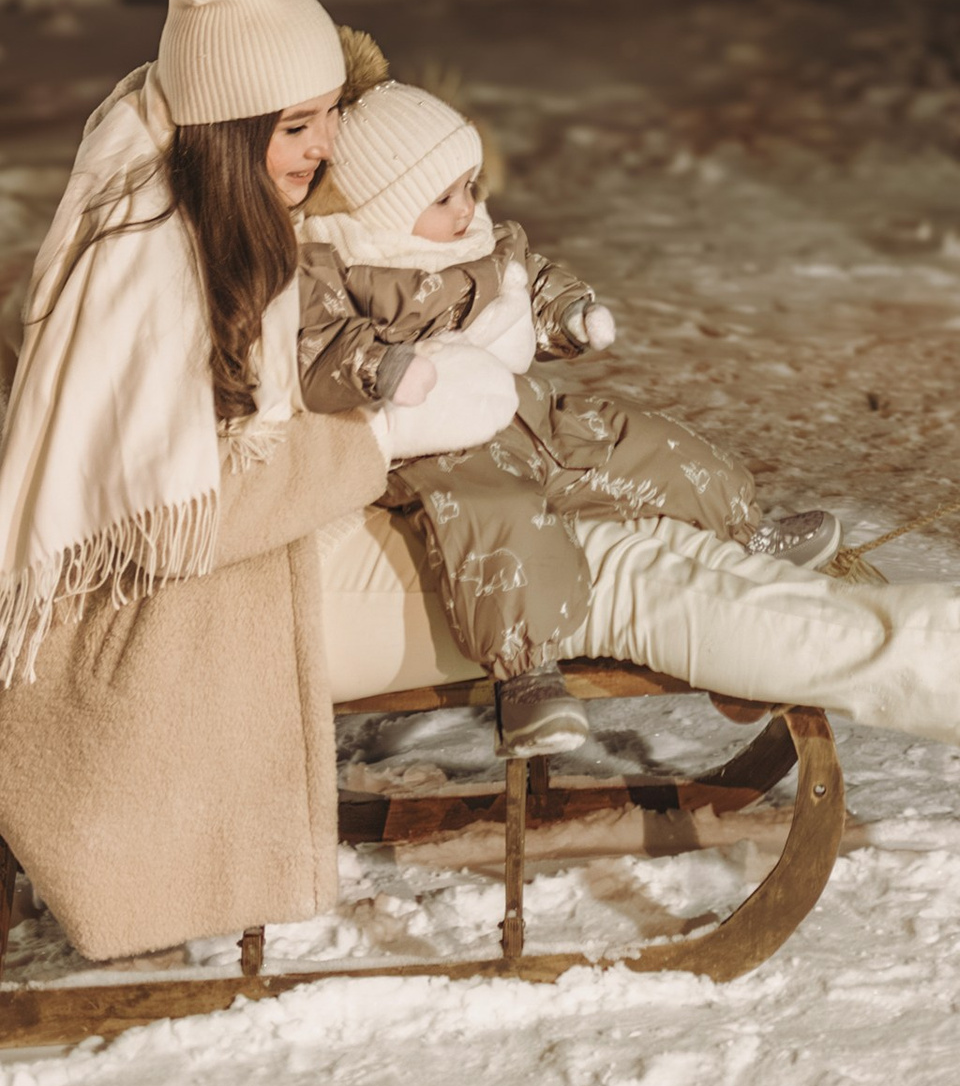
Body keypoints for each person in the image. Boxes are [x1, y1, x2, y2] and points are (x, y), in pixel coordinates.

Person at [0, 0, 960, 966]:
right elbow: (188, 515)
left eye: (320, 121)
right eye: (296, 127)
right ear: (227, 120)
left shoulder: (191, 190)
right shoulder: (156, 253)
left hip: (274, 566)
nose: (317, 152)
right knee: (613, 571)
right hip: (223, 614)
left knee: (596, 504)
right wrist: (393, 427)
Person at [300, 74, 843, 757]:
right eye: (443, 198)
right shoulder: (351, 271)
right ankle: (526, 676)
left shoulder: (482, 244)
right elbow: (318, 346)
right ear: (386, 208)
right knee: (496, 524)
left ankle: (742, 526)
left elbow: (535, 278)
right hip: (444, 445)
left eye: (470, 187)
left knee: (640, 440)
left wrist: (572, 315)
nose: (468, 208)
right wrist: (385, 368)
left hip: (534, 413)